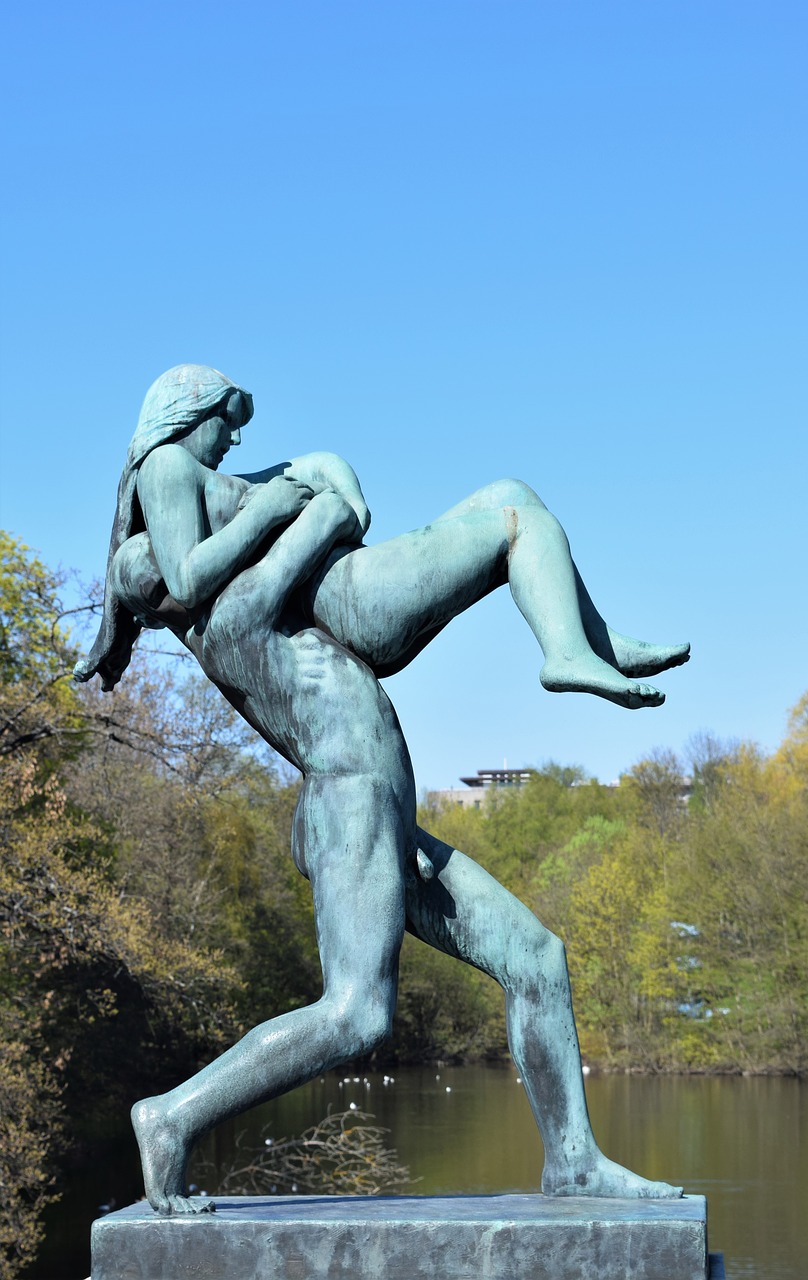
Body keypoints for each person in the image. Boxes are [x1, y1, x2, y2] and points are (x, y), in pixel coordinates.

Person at [77, 365, 686, 1213]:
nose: (222, 493)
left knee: (536, 959)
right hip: (349, 805)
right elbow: (287, 532)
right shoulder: (226, 620)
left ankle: (574, 1162)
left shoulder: (263, 605)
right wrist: (310, 501)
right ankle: (171, 1118)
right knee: (356, 1015)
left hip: (383, 812)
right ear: (163, 593)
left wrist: (299, 494)